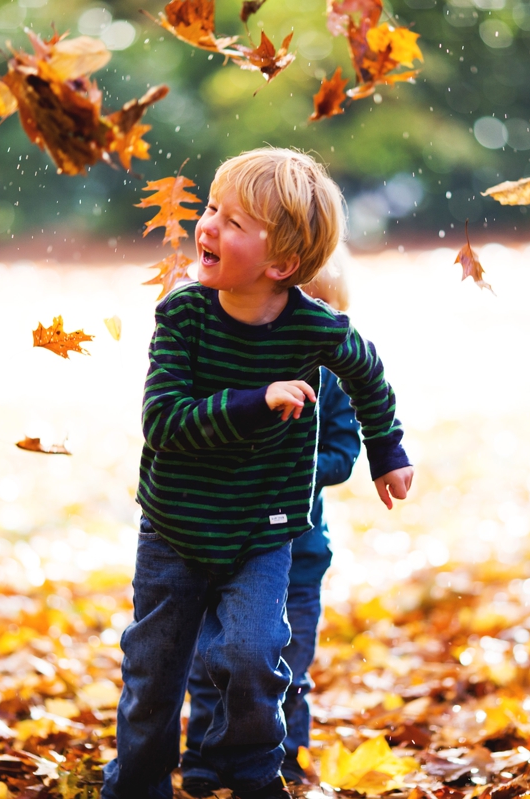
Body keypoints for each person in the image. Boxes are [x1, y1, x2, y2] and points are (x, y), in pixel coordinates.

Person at [101, 149, 414, 799]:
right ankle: (138, 783)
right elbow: (163, 422)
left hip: (265, 530)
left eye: (233, 221)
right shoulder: (183, 317)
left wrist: (387, 450)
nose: (208, 226)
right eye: (211, 208)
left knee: (252, 653)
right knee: (155, 669)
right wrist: (256, 401)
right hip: (176, 527)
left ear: (281, 264)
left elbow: (367, 373)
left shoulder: (312, 328)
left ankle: (250, 773)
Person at [180, 247, 362, 794]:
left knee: (286, 667)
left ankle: (283, 759)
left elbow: (344, 454)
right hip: (226, 548)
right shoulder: (235, 372)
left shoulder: (335, 384)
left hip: (298, 557)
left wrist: (284, 464)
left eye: (317, 312)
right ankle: (206, 756)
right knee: (214, 657)